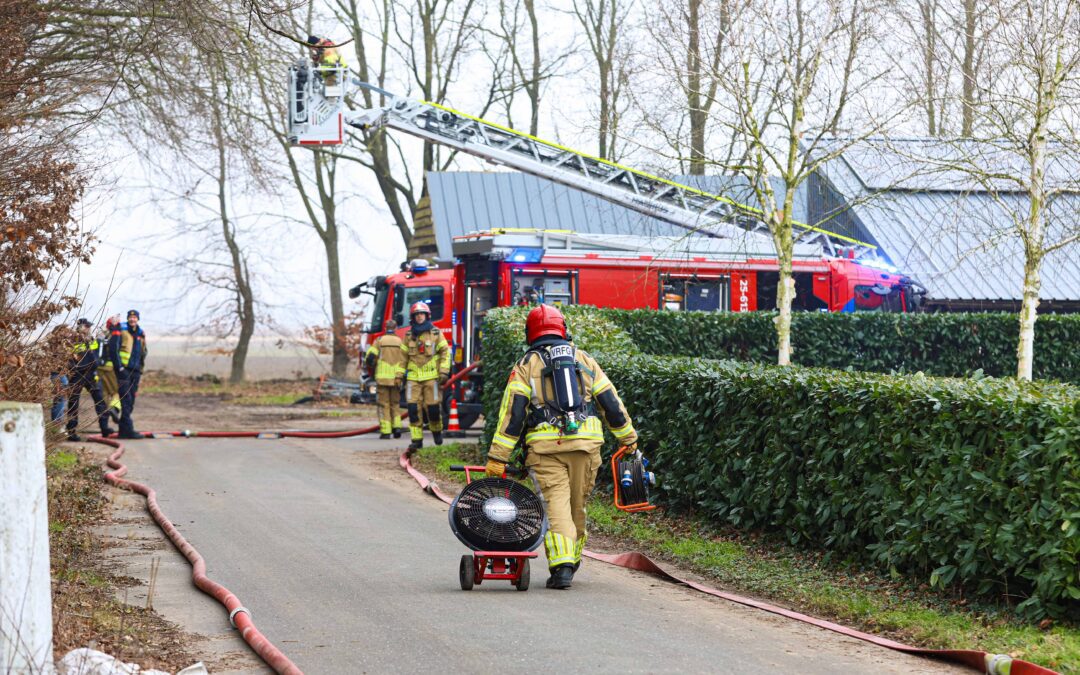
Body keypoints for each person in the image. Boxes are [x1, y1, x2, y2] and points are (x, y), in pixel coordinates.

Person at [485, 304, 638, 590]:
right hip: (587, 447)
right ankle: (571, 558)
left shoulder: (526, 365)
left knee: (556, 506)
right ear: (563, 329)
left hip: (545, 451)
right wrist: (628, 438)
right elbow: (611, 405)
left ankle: (562, 565)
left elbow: (513, 414)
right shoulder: (585, 360)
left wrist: (498, 457)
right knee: (577, 506)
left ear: (530, 333)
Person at [402, 301, 449, 454]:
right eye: (417, 315)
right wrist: (398, 376)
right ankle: (417, 441)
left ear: (427, 315)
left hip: (432, 379)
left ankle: (437, 433)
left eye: (422, 314)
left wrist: (443, 371)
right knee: (413, 409)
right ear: (413, 317)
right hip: (413, 379)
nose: (419, 317)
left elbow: (445, 353)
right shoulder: (408, 336)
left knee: (433, 409)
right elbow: (402, 357)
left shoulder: (436, 333)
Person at [64, 318, 115, 441]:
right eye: (86, 326)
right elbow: (68, 358)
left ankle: (104, 428)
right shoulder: (72, 340)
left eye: (89, 326)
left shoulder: (92, 339)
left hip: (91, 374)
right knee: (73, 404)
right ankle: (71, 432)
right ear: (79, 327)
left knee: (100, 401)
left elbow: (96, 354)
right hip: (77, 375)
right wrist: (72, 371)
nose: (88, 328)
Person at [364, 319, 405, 440]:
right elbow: (405, 359)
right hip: (396, 379)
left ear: (385, 328)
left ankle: (386, 432)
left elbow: (370, 358)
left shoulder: (379, 341)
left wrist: (373, 366)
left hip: (383, 379)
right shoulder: (400, 342)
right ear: (396, 328)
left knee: (384, 405)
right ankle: (397, 427)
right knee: (395, 404)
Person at [111, 309, 146, 439]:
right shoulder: (121, 328)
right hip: (124, 370)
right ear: (128, 318)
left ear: (138, 319)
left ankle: (122, 430)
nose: (132, 319)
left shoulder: (141, 332)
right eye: (130, 317)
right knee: (126, 400)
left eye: (135, 317)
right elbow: (113, 348)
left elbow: (143, 351)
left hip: (136, 370)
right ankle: (128, 430)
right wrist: (119, 367)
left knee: (130, 401)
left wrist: (141, 368)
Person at [96, 315, 122, 423]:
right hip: (110, 367)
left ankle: (104, 421)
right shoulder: (115, 334)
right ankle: (114, 409)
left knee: (104, 393)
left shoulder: (101, 334)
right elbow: (114, 350)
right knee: (116, 391)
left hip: (99, 367)